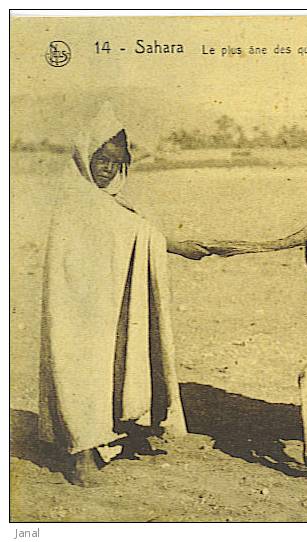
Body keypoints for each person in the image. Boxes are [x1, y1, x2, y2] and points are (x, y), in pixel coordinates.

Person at [39, 104, 209, 486]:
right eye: (101, 159)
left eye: (116, 162)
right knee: (79, 370)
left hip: (105, 304)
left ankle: (115, 429)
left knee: (113, 360)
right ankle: (80, 450)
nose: (108, 169)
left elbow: (130, 231)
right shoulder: (75, 198)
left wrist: (166, 241)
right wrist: (177, 245)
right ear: (86, 156)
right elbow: (126, 233)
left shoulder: (113, 205)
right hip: (76, 311)